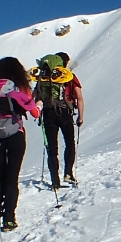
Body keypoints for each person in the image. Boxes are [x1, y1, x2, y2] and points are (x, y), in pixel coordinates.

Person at [0, 57, 41, 230]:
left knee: (1, 177)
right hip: (15, 136)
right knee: (12, 178)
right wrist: (38, 105)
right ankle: (9, 218)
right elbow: (34, 112)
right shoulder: (17, 90)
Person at [34, 52, 85, 190]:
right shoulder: (69, 76)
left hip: (48, 113)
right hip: (65, 113)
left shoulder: (44, 78)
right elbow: (79, 97)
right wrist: (80, 116)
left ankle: (55, 181)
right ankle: (68, 173)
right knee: (70, 143)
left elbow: (37, 98)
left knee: (52, 148)